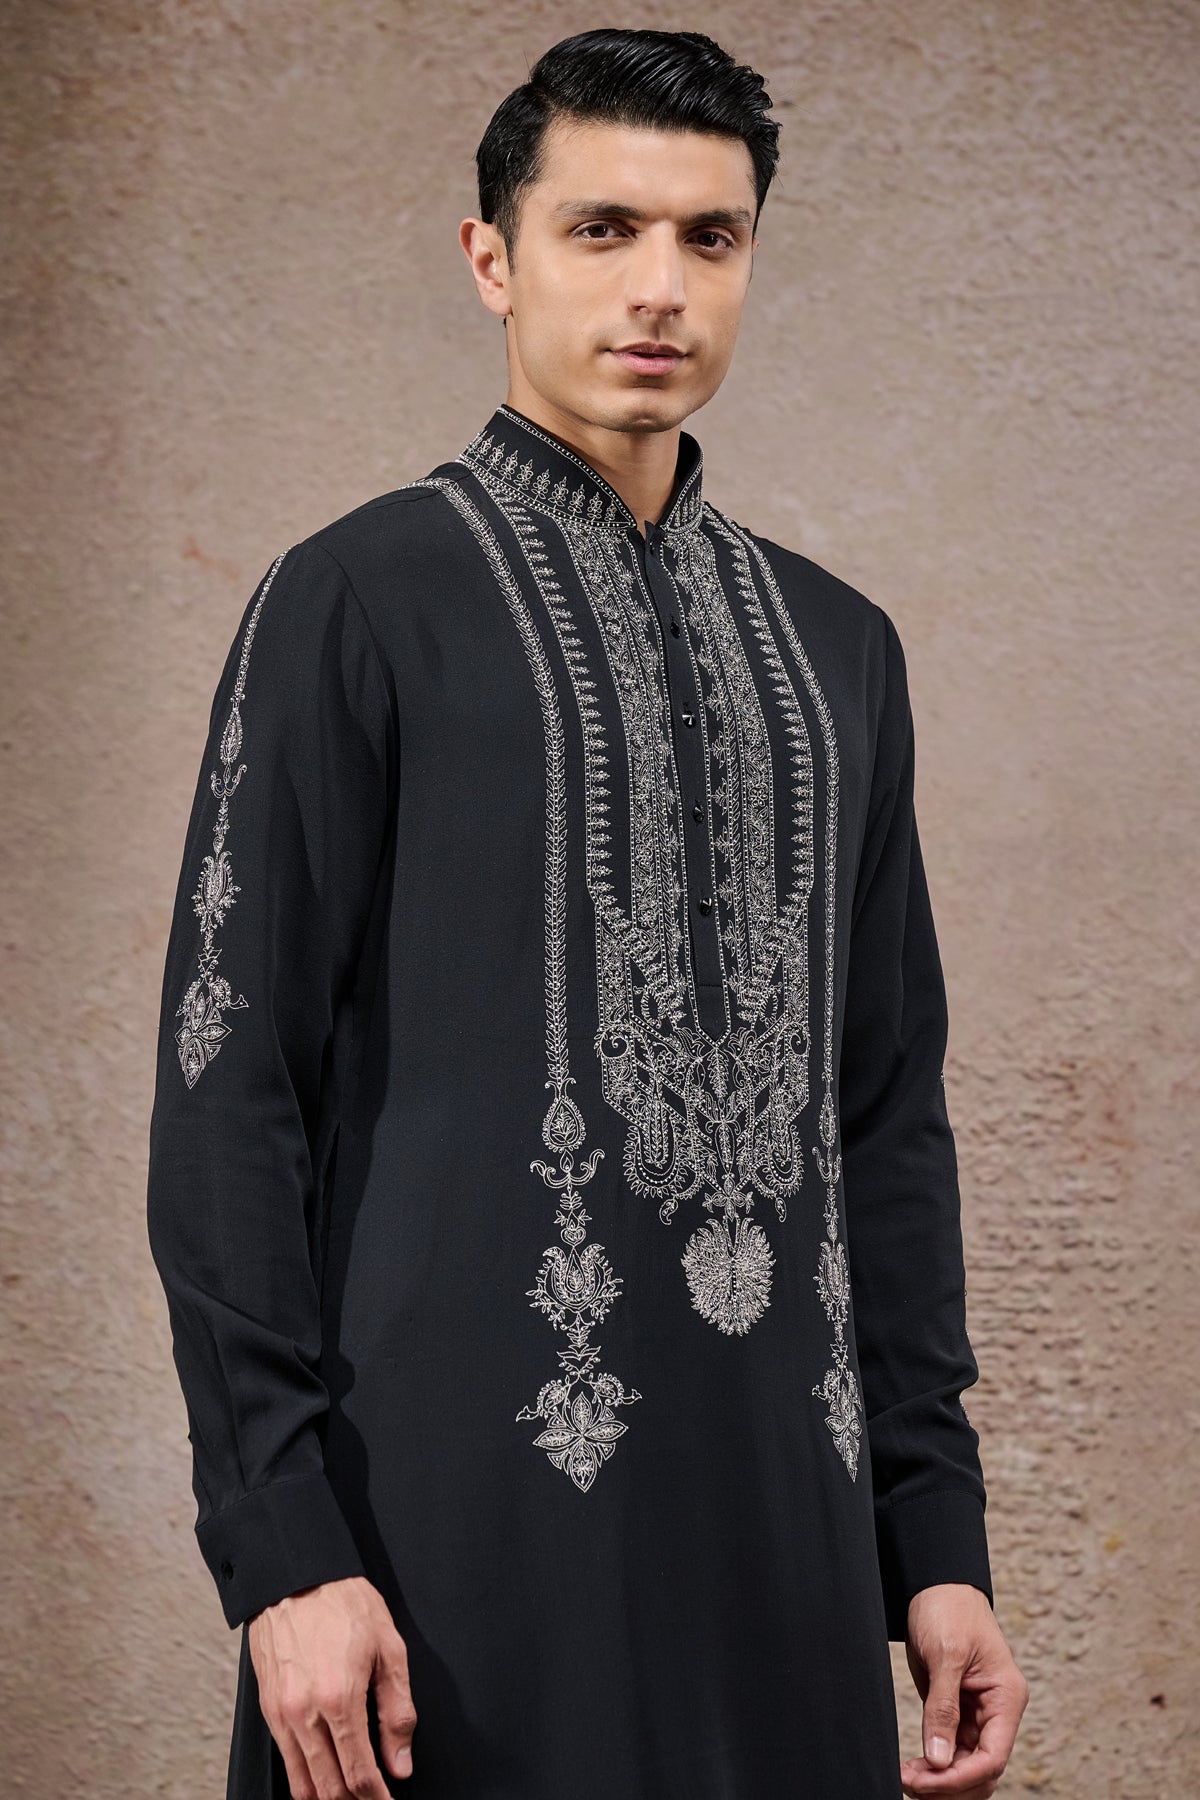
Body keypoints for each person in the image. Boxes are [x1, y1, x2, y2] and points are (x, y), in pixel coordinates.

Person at [146, 26, 1029, 1800]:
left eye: (711, 237)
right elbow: (230, 1091)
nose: (660, 287)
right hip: (443, 1549)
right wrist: (282, 1546)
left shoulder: (838, 650)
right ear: (494, 259)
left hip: (784, 1546)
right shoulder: (356, 599)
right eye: (603, 228)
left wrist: (935, 1542)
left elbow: (882, 1117)